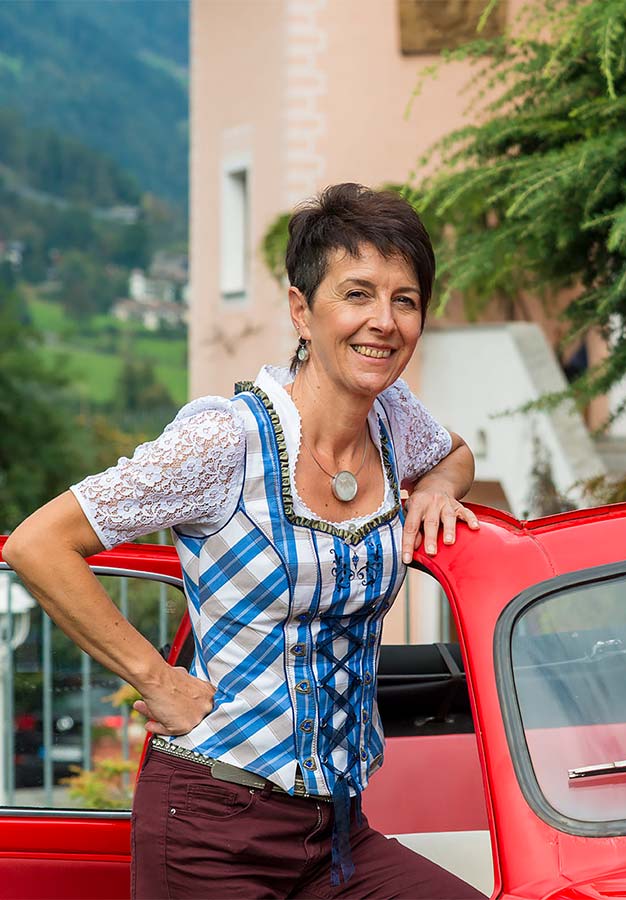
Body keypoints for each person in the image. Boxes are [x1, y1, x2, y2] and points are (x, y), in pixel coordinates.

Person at [4, 183, 486, 897]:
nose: (383, 322)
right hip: (211, 828)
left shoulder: (393, 421)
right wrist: (157, 679)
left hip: (338, 833)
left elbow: (454, 454)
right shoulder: (224, 440)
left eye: (405, 300)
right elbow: (37, 544)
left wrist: (442, 488)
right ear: (302, 309)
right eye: (357, 295)